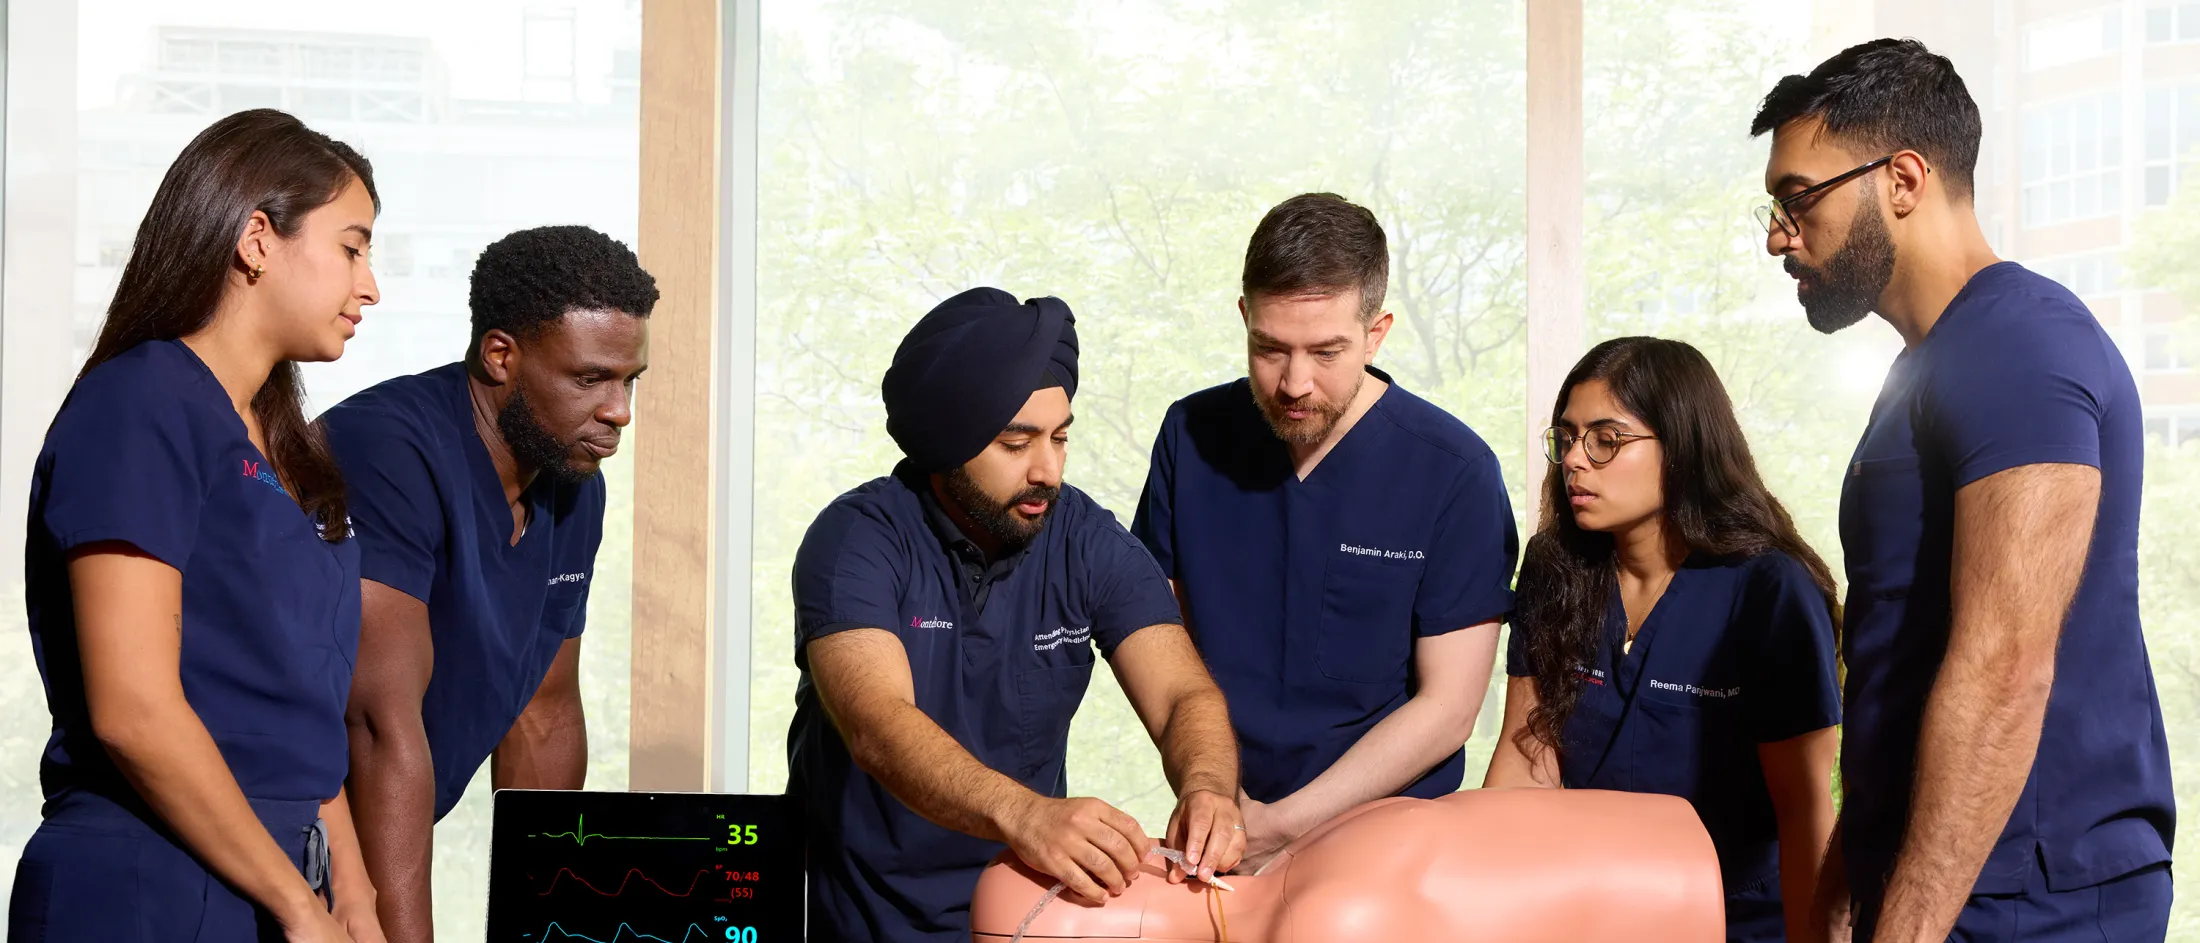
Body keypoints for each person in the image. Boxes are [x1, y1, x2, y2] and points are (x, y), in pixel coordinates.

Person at [1753, 39, 2174, 942]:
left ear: (1902, 179)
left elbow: (2004, 666)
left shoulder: (2020, 342)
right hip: (1939, 885)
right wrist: (1845, 880)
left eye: (1799, 198)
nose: (1780, 235)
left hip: (2034, 898)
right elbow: (1901, 655)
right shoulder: (1926, 367)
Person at [8, 109, 383, 943]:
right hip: (150, 878)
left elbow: (301, 710)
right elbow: (134, 709)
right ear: (257, 239)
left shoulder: (288, 449)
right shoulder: (140, 403)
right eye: (352, 248)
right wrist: (297, 903)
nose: (370, 287)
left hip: (279, 876)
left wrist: (352, 897)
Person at [788, 287, 1243, 943]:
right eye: (1015, 443)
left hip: (1020, 916)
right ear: (948, 444)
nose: (1048, 470)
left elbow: (1180, 694)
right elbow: (877, 725)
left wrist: (1208, 788)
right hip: (859, 920)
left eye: (1060, 438)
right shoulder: (856, 541)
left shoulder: (1086, 538)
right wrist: (1026, 814)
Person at [1132, 193, 1517, 869]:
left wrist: (1280, 826)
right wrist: (1212, 791)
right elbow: (1158, 645)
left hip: (1387, 846)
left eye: (1326, 351)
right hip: (1221, 826)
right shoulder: (1190, 437)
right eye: (1269, 349)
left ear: (1376, 333)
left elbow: (1450, 707)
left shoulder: (1455, 471)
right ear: (1245, 317)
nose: (1294, 382)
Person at [323, 226, 656, 942]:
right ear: (501, 355)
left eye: (629, 380)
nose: (619, 410)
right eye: (590, 378)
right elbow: (377, 730)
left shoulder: (572, 483)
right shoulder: (385, 450)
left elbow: (544, 712)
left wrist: (547, 930)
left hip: (359, 846)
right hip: (270, 846)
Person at [1482, 337, 1842, 943]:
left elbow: (1804, 812)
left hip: (1736, 922)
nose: (1574, 461)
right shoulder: (1555, 566)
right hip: (1588, 911)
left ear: (1682, 447)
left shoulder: (1769, 589)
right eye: (1566, 438)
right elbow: (1526, 761)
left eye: (1606, 439)